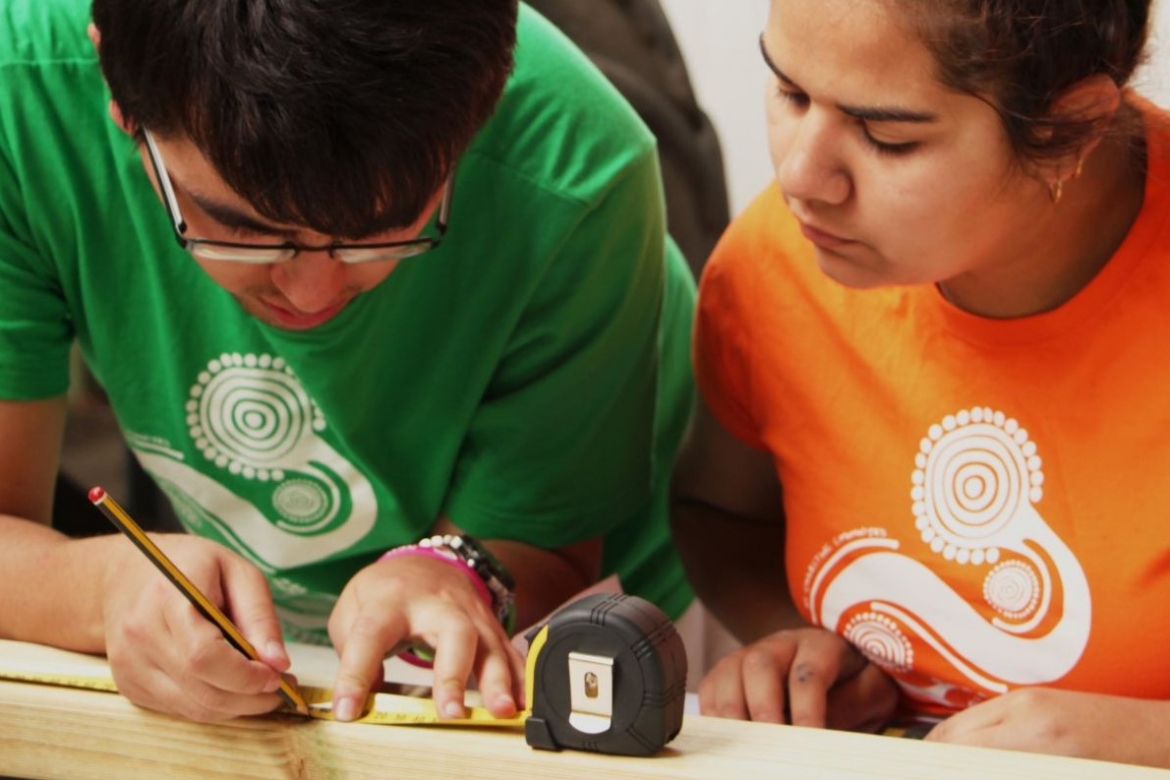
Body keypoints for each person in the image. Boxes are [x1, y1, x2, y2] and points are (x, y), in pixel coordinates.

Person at [0, 0, 696, 725]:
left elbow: (545, 544)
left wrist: (457, 571)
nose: (312, 292)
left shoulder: (577, 173)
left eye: (383, 226)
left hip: (594, 638)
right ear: (119, 90)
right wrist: (101, 589)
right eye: (240, 228)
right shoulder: (18, 100)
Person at [671, 0, 1170, 767]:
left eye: (887, 138)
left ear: (1068, 128)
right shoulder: (775, 263)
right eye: (791, 94)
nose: (801, 177)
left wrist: (1149, 740)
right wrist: (794, 643)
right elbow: (719, 511)